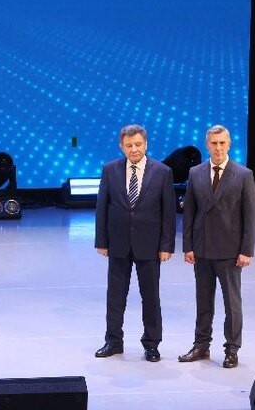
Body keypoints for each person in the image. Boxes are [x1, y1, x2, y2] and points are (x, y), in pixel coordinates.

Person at [93, 124, 177, 362]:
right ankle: (113, 341)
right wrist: (102, 241)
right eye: (129, 145)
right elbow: (102, 207)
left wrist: (166, 245)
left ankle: (152, 344)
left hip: (150, 245)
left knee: (150, 297)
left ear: (146, 144)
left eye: (138, 144)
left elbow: (168, 213)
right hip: (118, 243)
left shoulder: (162, 172)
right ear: (122, 146)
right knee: (115, 296)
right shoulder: (110, 170)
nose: (134, 149)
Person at [178, 124, 255, 369]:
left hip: (230, 251)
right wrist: (188, 246)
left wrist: (246, 250)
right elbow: (189, 213)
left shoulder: (243, 175)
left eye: (222, 143)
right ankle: (201, 345)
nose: (218, 147)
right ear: (207, 145)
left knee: (232, 304)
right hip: (202, 249)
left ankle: (232, 349)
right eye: (214, 143)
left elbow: (250, 216)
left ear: (229, 144)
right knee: (203, 301)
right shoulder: (195, 173)